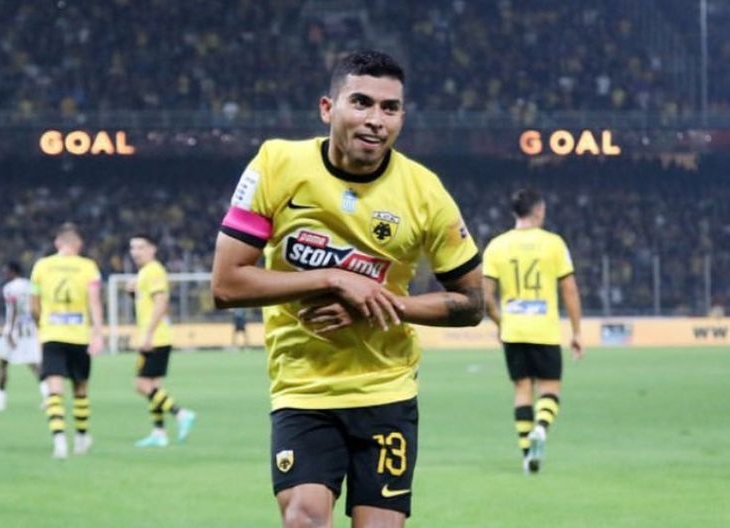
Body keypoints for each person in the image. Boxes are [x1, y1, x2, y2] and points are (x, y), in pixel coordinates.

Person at [211, 50, 483, 528]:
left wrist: (376, 304)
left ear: (401, 118)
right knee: (304, 517)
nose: (376, 119)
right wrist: (335, 278)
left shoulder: (425, 192)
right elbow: (226, 284)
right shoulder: (276, 164)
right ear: (327, 108)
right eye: (361, 102)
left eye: (389, 108)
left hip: (386, 389)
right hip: (304, 389)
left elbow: (473, 304)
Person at [482, 189, 584, 474]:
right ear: (539, 210)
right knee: (549, 389)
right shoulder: (554, 244)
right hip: (544, 329)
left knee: (522, 389)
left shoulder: (497, 246)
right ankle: (541, 427)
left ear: (515, 212)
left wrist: (501, 323)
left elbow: (485, 297)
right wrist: (577, 331)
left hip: (513, 330)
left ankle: (528, 455)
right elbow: (570, 290)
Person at [31, 223, 104, 459]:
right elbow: (94, 301)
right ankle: (81, 439)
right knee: (80, 388)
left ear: (57, 243)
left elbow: (33, 303)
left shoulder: (42, 266)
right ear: (78, 245)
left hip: (52, 334)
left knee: (54, 390)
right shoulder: (88, 266)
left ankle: (59, 441)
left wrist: (41, 325)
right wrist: (98, 333)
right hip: (78, 335)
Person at [126, 234, 196, 447]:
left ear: (152, 249)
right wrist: (133, 293)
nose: (135, 252)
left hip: (155, 338)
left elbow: (160, 303)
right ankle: (159, 432)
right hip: (155, 336)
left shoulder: (154, 270)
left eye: (141, 247)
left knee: (141, 385)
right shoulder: (145, 273)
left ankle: (181, 413)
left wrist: (147, 334)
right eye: (133, 248)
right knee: (154, 385)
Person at [0, 262, 48, 412]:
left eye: (6, 271)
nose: (5, 274)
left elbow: (12, 310)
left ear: (13, 271)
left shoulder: (9, 288)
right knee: (34, 364)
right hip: (29, 328)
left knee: (3, 363)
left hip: (15, 328)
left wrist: (10, 332)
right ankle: (49, 398)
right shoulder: (30, 285)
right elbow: (36, 305)